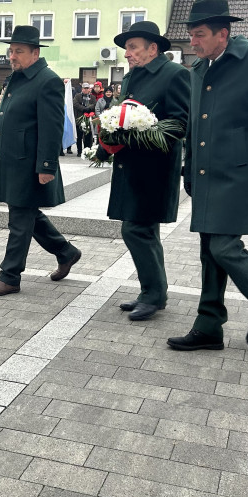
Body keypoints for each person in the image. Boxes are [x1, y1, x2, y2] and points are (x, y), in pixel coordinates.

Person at [170, 0, 248, 352]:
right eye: (191, 35)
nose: (193, 43)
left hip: (240, 173)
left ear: (223, 33)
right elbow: (195, 124)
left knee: (225, 246)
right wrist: (189, 167)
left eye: (200, 35)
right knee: (209, 251)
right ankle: (208, 326)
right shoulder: (199, 69)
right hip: (207, 174)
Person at [0, 25, 81, 297]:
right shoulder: (18, 77)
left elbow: (51, 127)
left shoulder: (47, 80)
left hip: (29, 163)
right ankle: (66, 251)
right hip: (12, 159)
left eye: (19, 51)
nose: (12, 56)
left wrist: (47, 166)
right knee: (27, 215)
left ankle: (10, 275)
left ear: (35, 53)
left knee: (20, 219)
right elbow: (6, 121)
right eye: (10, 51)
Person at [99, 21, 189, 322]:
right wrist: (108, 138)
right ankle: (153, 292)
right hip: (131, 165)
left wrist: (140, 134)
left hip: (155, 168)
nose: (127, 53)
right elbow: (124, 116)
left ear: (153, 48)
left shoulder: (175, 75)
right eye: (126, 48)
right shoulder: (132, 77)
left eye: (132, 47)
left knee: (136, 229)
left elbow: (179, 123)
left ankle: (153, 294)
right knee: (144, 231)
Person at [72, 82, 96, 157]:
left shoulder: (92, 97)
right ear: (82, 89)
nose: (86, 90)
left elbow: (94, 104)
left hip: (89, 119)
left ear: (89, 89)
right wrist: (84, 109)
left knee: (88, 136)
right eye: (84, 88)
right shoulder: (77, 96)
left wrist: (89, 109)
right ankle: (79, 151)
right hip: (79, 119)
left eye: (87, 88)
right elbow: (75, 104)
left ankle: (86, 150)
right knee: (79, 136)